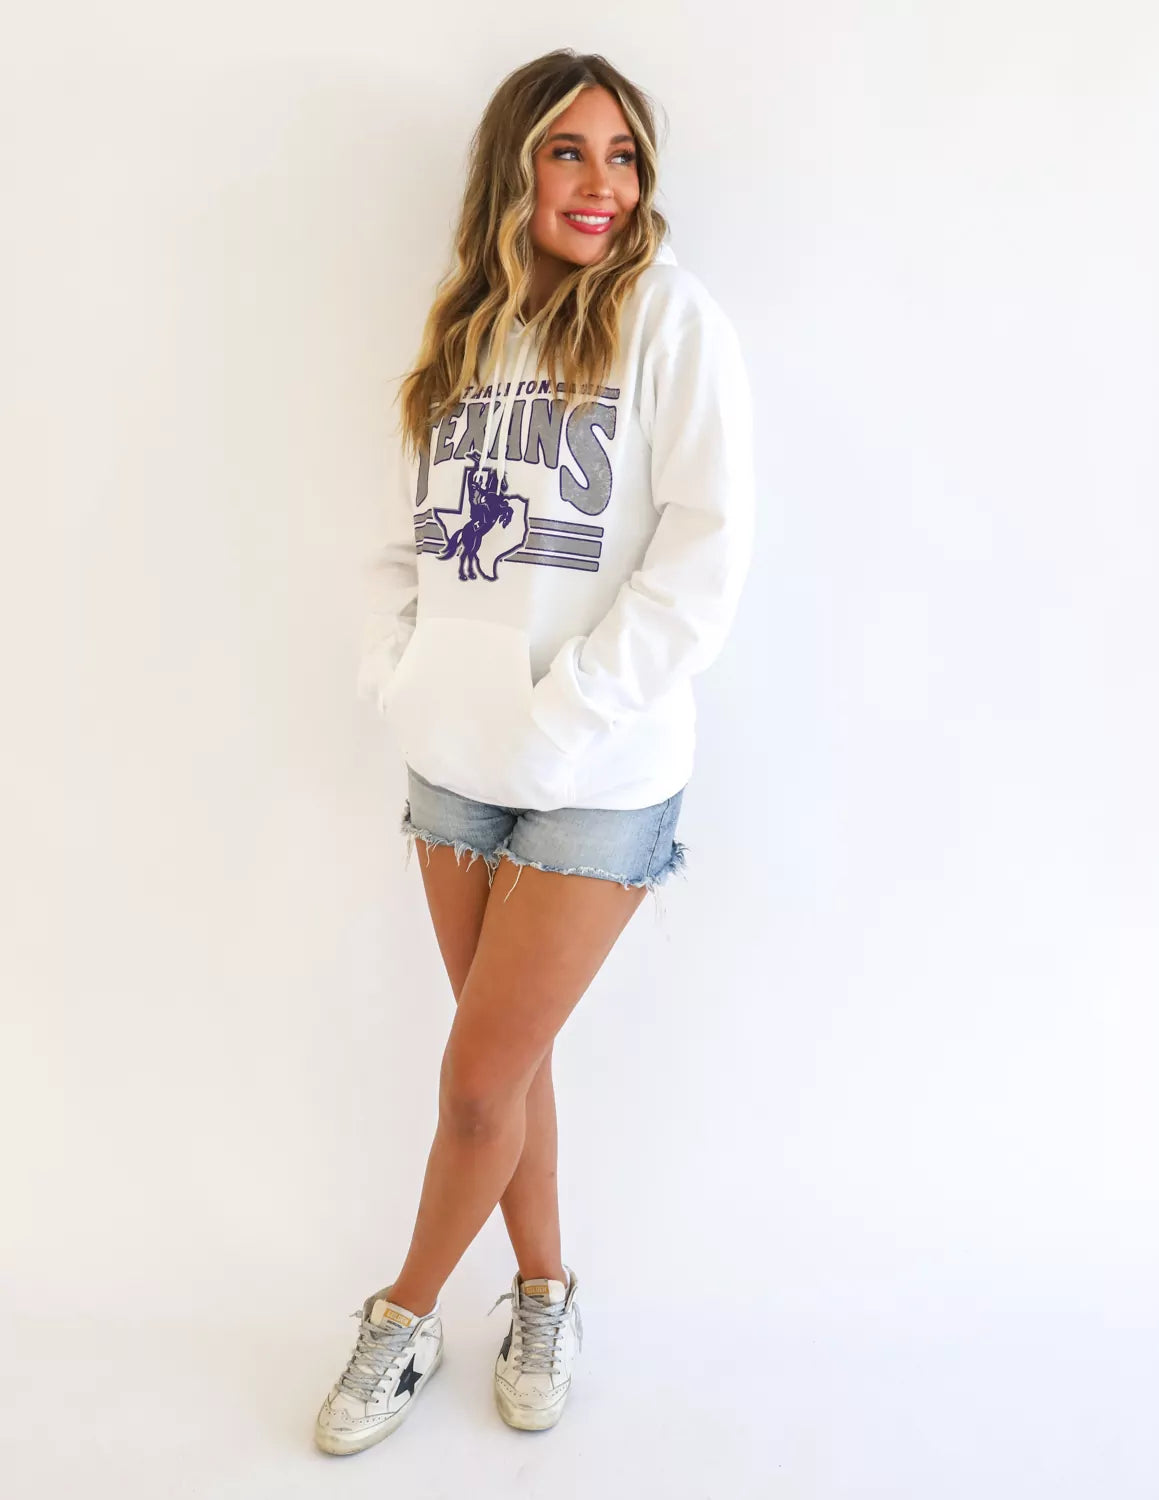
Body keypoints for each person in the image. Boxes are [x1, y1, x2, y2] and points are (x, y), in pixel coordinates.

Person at [315, 48, 755, 1453]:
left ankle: (401, 1313)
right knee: (511, 1067)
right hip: (453, 767)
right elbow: (402, 547)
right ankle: (548, 1289)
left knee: (474, 1081)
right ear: (516, 167)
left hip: (597, 779)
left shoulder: (673, 324)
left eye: (624, 157)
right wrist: (403, 681)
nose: (603, 183)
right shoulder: (461, 337)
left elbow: (705, 556)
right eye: (571, 152)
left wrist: (566, 712)